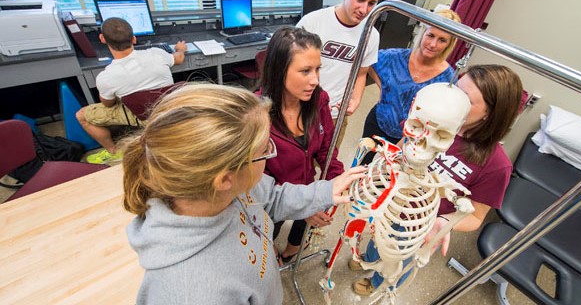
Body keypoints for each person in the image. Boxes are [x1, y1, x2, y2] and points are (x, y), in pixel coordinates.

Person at [122, 83, 366, 305]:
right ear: (225, 179)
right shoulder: (189, 293)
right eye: (265, 149)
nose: (271, 153)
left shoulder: (230, 189)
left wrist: (326, 191)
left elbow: (272, 197)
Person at [352, 64, 524, 295]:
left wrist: (443, 222)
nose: (453, 104)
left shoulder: (496, 166)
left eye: (467, 100)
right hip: (392, 203)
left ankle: (377, 284)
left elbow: (475, 216)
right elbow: (403, 146)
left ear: (490, 113)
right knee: (376, 239)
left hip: (420, 227)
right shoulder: (432, 119)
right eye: (457, 92)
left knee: (397, 263)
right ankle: (371, 258)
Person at [258, 26, 345, 263]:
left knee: (303, 227)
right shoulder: (257, 116)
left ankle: (290, 251)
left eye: (317, 69)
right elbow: (259, 185)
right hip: (274, 200)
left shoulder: (318, 100)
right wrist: (302, 205)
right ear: (279, 70)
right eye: (305, 71)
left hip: (308, 186)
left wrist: (333, 186)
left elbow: (327, 148)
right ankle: (272, 251)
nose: (315, 80)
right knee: (266, 236)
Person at [296, 0, 385, 145]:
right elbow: (290, 69)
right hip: (300, 111)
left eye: (371, 3)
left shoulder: (372, 36)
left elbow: (361, 73)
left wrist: (357, 98)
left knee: (327, 168)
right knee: (295, 166)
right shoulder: (312, 23)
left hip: (335, 114)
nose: (364, 10)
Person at [75, 17, 187, 164]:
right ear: (134, 39)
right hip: (169, 108)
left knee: (81, 115)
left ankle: (113, 152)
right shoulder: (156, 53)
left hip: (142, 116)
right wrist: (180, 49)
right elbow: (178, 59)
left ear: (102, 38)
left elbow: (108, 105)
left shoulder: (106, 77)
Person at [361, 9, 462, 164]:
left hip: (411, 138)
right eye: (431, 36)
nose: (433, 44)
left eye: (442, 40)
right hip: (378, 123)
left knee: (387, 176)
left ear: (449, 44)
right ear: (423, 32)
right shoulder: (394, 57)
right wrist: (382, 86)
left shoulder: (447, 79)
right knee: (362, 163)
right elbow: (368, 62)